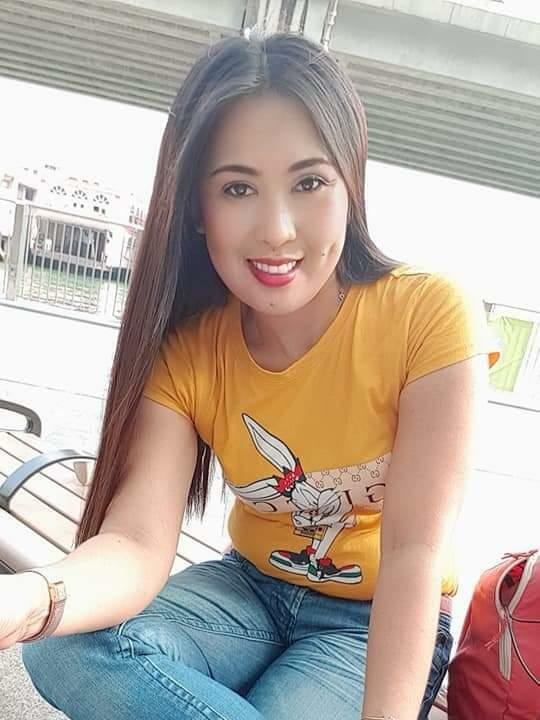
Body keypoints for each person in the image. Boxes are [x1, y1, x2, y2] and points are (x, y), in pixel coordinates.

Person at [1, 32, 497, 720]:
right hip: (247, 591)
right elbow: (137, 543)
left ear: (351, 184)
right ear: (197, 209)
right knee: (63, 645)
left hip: (368, 622)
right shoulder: (191, 349)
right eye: (238, 188)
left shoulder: (428, 314)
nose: (277, 229)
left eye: (309, 182)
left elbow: (413, 554)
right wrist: (31, 597)